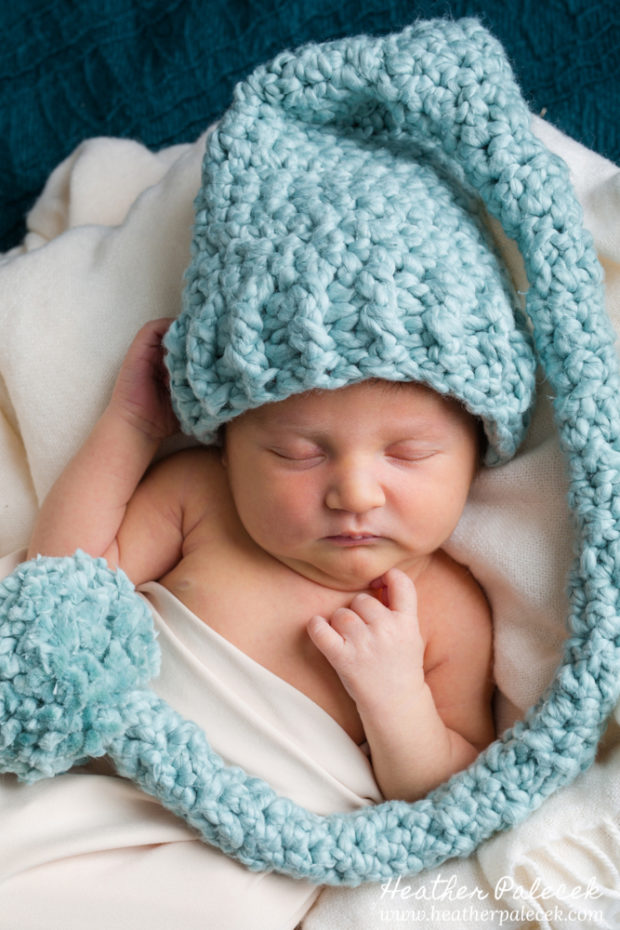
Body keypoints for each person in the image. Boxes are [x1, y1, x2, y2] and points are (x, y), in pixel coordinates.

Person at [27, 315, 495, 803]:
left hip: (264, 841)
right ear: (228, 448)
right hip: (102, 785)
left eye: (407, 454)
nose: (355, 495)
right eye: (297, 454)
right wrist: (134, 427)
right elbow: (59, 589)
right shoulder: (201, 496)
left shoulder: (448, 609)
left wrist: (399, 701)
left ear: (474, 458)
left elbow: (452, 793)